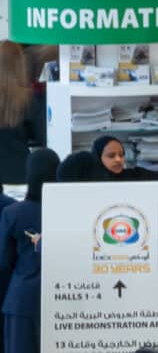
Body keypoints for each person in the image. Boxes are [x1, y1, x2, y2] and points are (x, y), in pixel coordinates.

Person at [0, 150, 54, 353]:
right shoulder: (65, 210)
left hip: (21, 299)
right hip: (62, 297)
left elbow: (4, 260)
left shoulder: (13, 212)